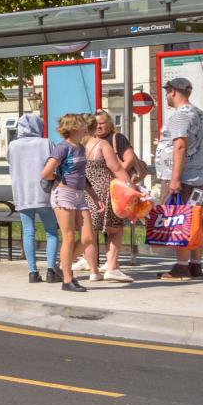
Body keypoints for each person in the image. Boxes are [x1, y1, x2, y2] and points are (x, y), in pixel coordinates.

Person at [153, 76, 203, 280]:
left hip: (181, 178)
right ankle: (196, 265)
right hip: (198, 177)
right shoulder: (199, 114)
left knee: (180, 220)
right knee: (195, 221)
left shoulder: (179, 115)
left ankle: (181, 266)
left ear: (173, 92)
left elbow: (180, 146)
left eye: (167, 92)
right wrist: (198, 154)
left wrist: (175, 179)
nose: (167, 96)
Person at [41, 113, 98, 292]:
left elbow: (82, 175)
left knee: (88, 237)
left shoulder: (80, 147)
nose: (85, 127)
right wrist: (59, 179)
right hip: (63, 194)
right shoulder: (62, 148)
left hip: (79, 194)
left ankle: (61, 265)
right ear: (73, 128)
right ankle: (67, 280)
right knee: (69, 236)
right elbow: (45, 173)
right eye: (81, 124)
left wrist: (94, 196)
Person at [6, 114, 60, 283]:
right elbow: (55, 163)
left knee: (28, 232)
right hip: (44, 191)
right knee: (51, 231)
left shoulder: (12, 145)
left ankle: (33, 272)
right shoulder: (46, 142)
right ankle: (51, 270)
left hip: (22, 192)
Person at [84, 111, 133, 283]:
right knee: (114, 230)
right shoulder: (102, 144)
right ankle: (112, 268)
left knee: (89, 233)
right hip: (104, 193)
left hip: (84, 192)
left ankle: (93, 271)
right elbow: (117, 169)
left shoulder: (78, 145)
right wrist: (130, 188)